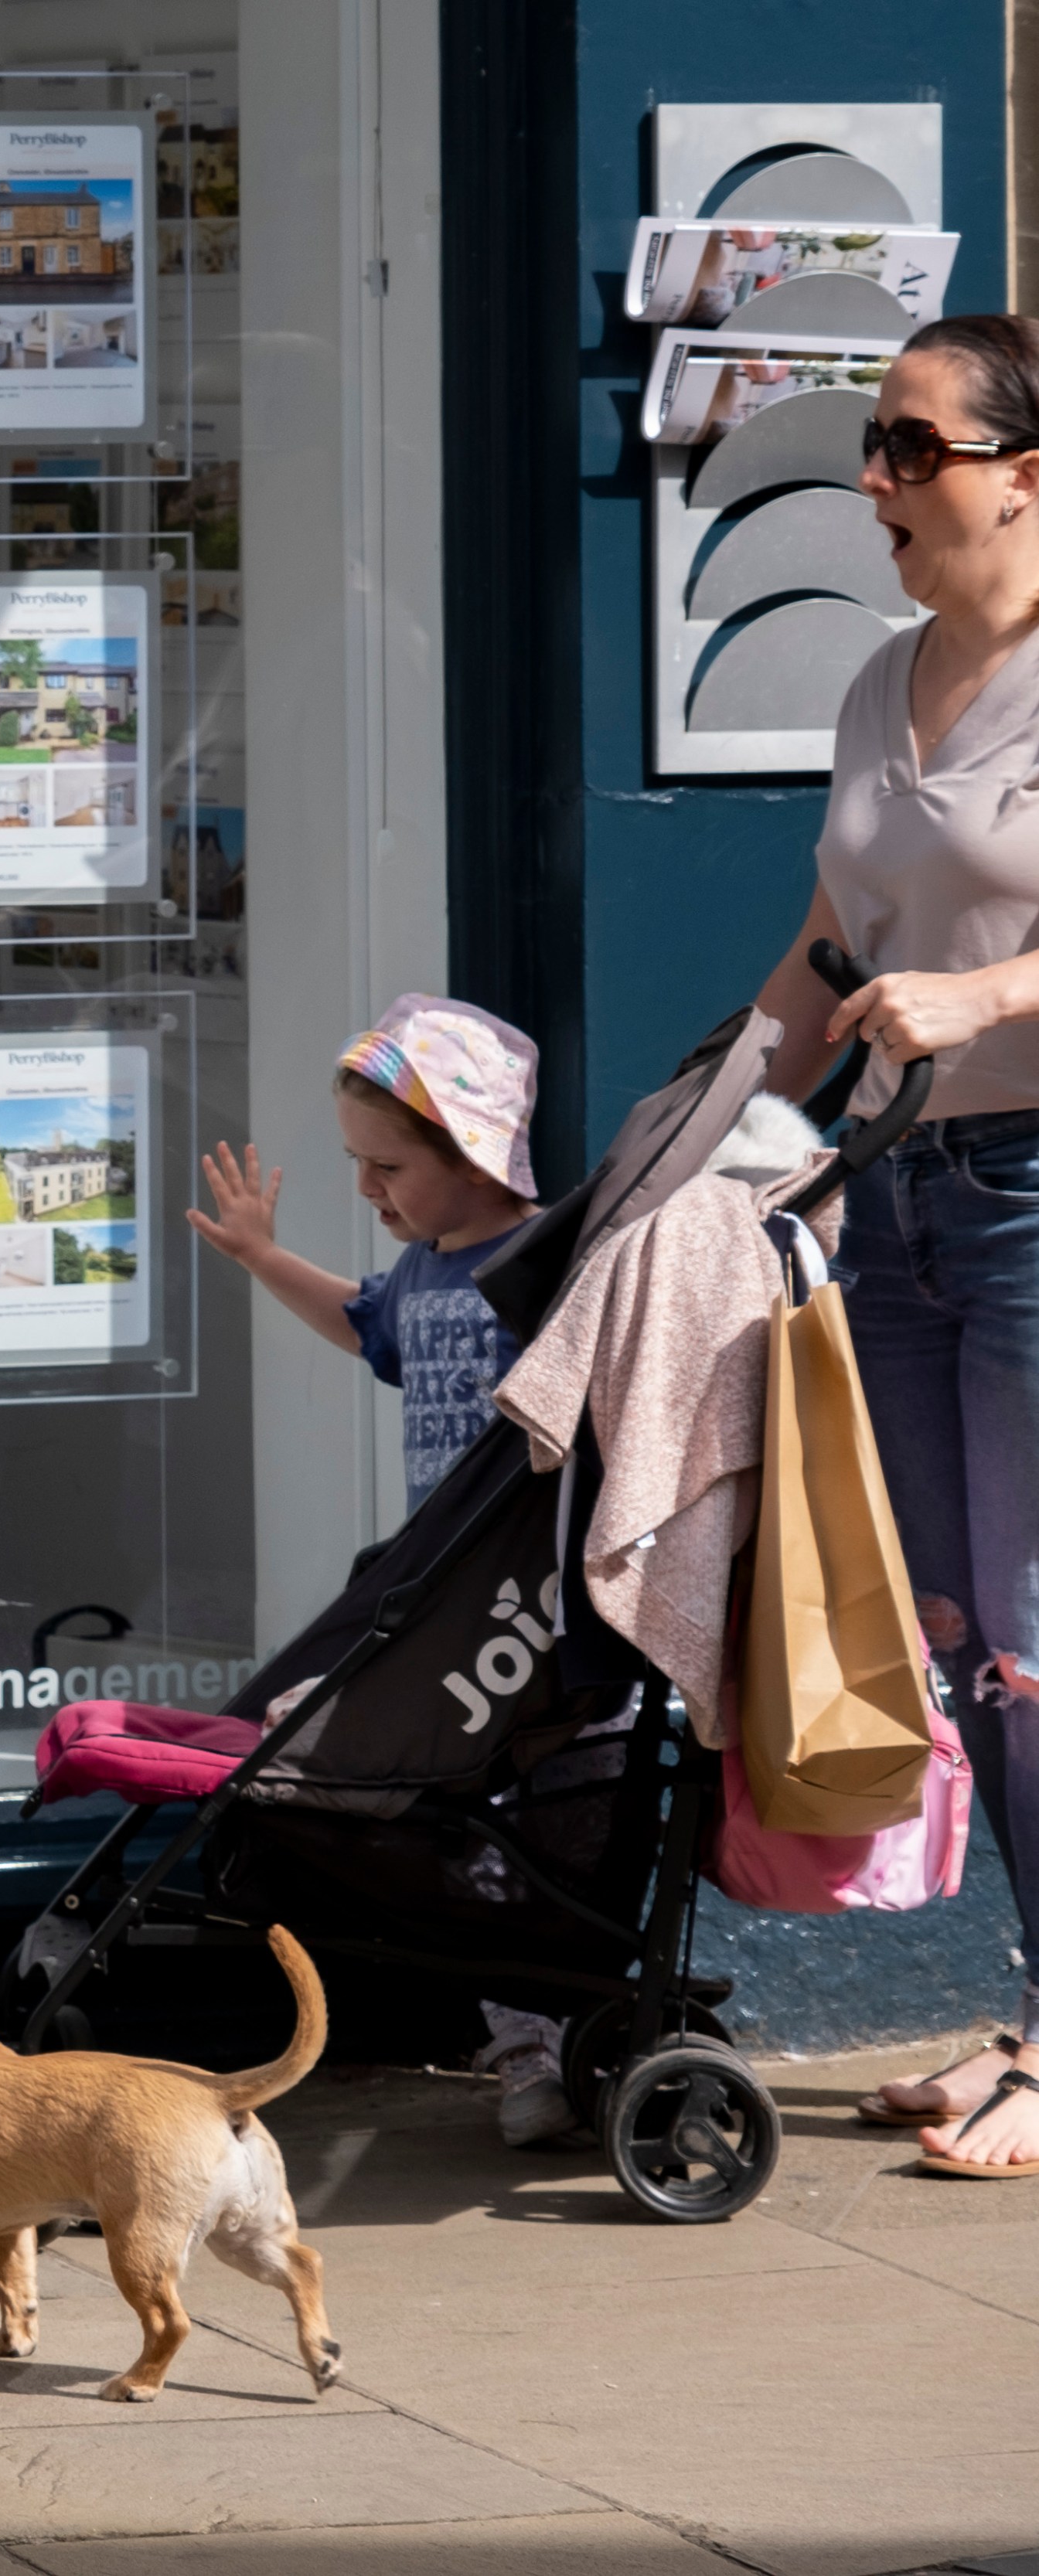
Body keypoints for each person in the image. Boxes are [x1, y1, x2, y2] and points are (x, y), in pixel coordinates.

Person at [748, 314, 1039, 2174]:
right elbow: (830, 951)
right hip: (906, 1201)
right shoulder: (880, 681)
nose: (877, 478)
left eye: (913, 449)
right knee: (959, 1639)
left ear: (1025, 472)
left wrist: (993, 988)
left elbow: (940, 976)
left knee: (1030, 1638)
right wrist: (712, 1121)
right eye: (873, 445)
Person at [189, 996, 547, 1512]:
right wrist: (260, 1254)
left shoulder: (549, 1260)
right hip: (438, 1564)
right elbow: (367, 1321)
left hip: (523, 1565)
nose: (364, 1185)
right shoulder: (422, 1265)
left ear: (476, 1157)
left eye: (387, 1166)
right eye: (356, 1159)